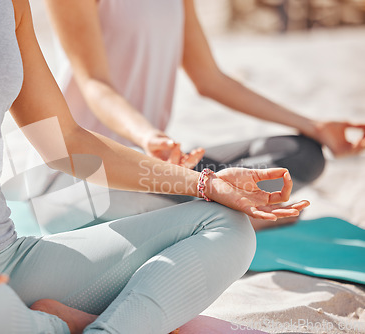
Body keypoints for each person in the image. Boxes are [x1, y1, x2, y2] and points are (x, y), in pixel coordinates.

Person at [0, 0, 309, 333]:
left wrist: (205, 184)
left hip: (7, 259)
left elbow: (67, 144)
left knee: (225, 225)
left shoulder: (9, 6)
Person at [32, 0, 365, 232]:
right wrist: (148, 136)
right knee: (128, 194)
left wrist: (313, 126)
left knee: (300, 154)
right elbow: (95, 84)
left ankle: (213, 212)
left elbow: (210, 79)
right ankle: (226, 214)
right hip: (88, 170)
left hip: (160, 165)